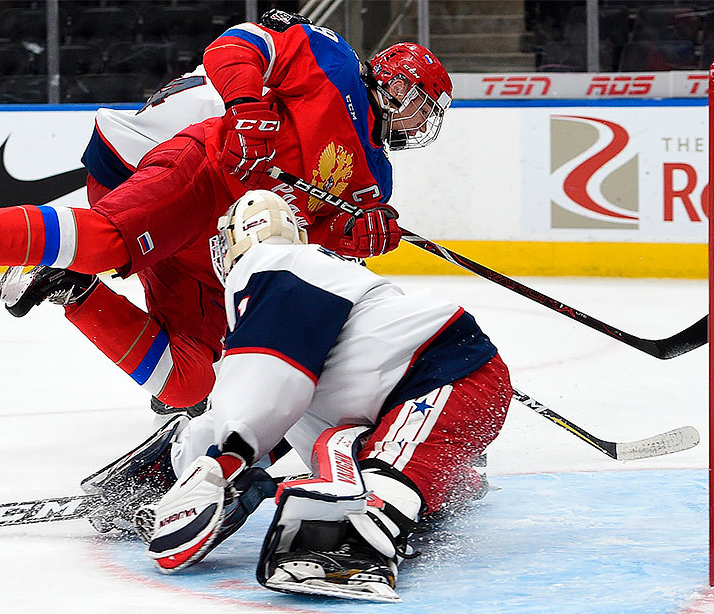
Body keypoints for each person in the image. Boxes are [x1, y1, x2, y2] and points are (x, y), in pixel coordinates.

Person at [0, 13, 454, 422]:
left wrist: (357, 236)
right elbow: (232, 48)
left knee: (193, 382)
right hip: (204, 175)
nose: (420, 123)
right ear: (397, 87)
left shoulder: (376, 179)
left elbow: (312, 239)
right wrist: (247, 105)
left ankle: (70, 291)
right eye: (422, 106)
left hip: (222, 256)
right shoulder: (332, 62)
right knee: (105, 242)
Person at [80, 190, 512, 603]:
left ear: (231, 241)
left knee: (370, 495)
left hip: (443, 380)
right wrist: (191, 462)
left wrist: (224, 460)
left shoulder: (273, 266)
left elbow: (267, 380)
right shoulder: (306, 266)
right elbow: (262, 400)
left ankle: (346, 548)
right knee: (343, 455)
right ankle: (453, 477)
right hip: (418, 389)